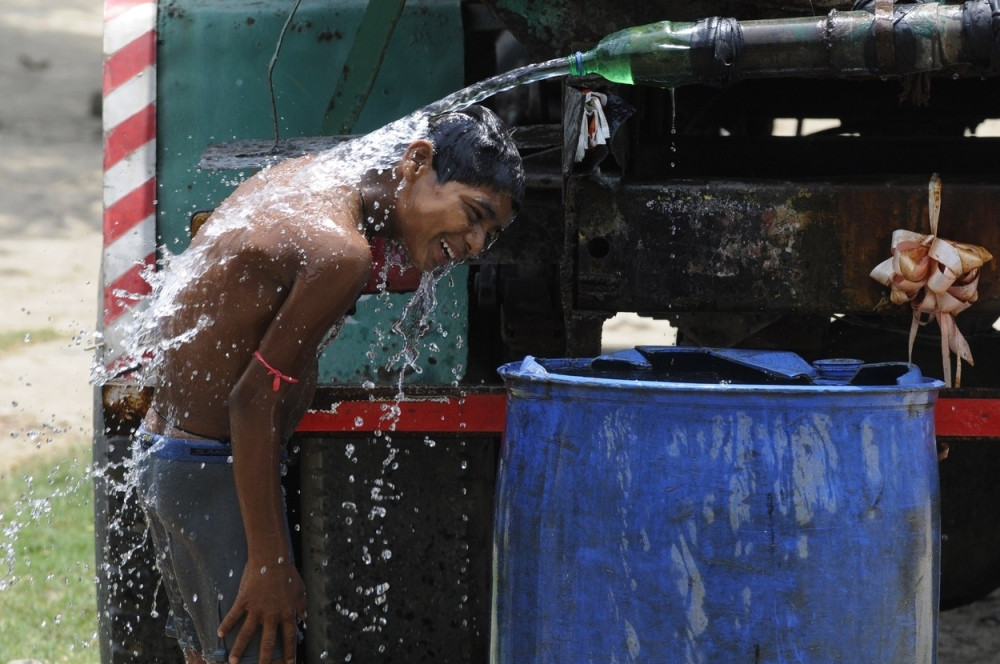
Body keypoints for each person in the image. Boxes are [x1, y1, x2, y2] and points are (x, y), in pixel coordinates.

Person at [132, 105, 524, 664]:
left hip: (171, 456)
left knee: (207, 654)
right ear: (418, 160)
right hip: (211, 469)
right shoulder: (341, 252)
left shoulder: (314, 181)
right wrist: (268, 562)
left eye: (490, 232)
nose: (477, 243)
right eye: (473, 213)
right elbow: (250, 402)